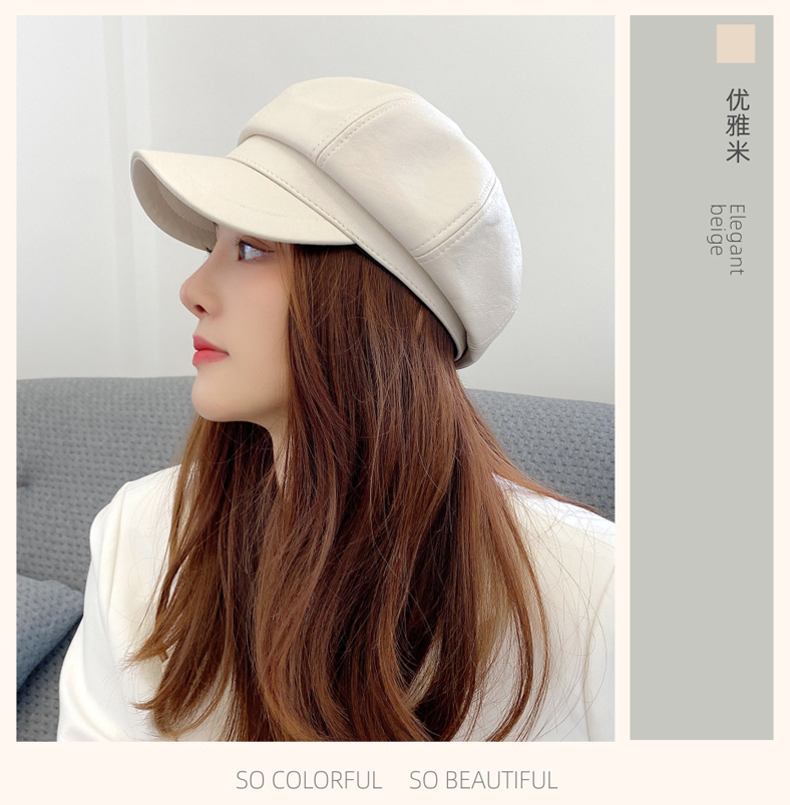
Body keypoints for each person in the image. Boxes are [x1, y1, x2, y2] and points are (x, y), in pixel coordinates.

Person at [57, 77, 614, 742]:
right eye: (212, 246)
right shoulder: (139, 535)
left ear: (369, 303)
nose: (193, 288)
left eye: (252, 248)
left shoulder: (595, 586)